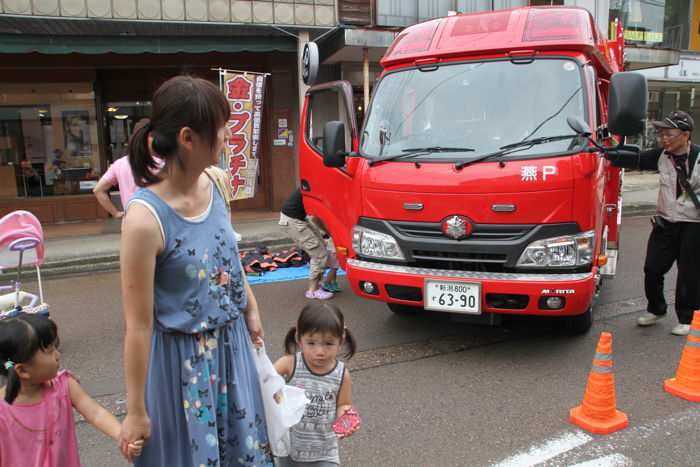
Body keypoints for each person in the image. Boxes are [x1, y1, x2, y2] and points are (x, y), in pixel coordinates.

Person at [119, 76, 272, 466]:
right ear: (188, 138)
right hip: (182, 366)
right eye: (220, 128)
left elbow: (229, 255)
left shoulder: (217, 183)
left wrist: (249, 307)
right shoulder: (144, 219)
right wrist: (135, 411)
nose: (227, 137)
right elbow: (137, 326)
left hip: (232, 347)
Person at [0, 314, 143, 466]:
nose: (57, 355)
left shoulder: (63, 385)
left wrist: (122, 435)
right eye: (49, 350)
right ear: (22, 370)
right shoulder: (3, 413)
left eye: (55, 347)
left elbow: (95, 413)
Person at [606, 110, 700, 336]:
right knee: (652, 268)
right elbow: (635, 159)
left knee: (689, 273)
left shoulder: (698, 158)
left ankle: (687, 317)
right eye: (662, 134)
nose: (664, 139)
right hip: (665, 223)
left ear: (686, 135)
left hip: (694, 224)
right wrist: (608, 151)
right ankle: (656, 309)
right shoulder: (661, 155)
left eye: (670, 134)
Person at [273, 302, 360, 467]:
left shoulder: (342, 374)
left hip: (325, 452)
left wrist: (346, 417)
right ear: (299, 339)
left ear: (340, 340)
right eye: (311, 343)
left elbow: (344, 403)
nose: (320, 351)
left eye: (328, 343)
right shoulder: (289, 364)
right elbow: (266, 381)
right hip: (289, 449)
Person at [279, 189, 336, 300]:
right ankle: (313, 291)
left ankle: (317, 284)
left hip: (299, 218)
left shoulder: (317, 183)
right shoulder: (319, 188)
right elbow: (316, 218)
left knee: (322, 246)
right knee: (319, 253)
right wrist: (330, 233)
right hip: (292, 221)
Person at [93, 119, 153, 218]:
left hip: (130, 221)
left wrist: (115, 213)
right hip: (154, 221)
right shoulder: (160, 163)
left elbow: (98, 190)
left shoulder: (119, 164)